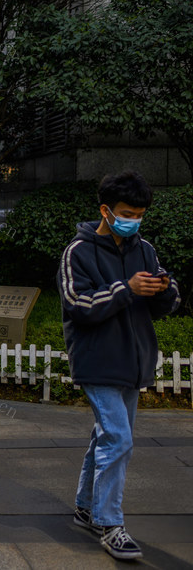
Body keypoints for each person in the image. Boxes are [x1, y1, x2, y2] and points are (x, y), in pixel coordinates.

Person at [56, 170, 180, 561]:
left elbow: (168, 301)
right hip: (97, 360)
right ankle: (111, 525)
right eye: (127, 212)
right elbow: (78, 305)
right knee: (119, 439)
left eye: (140, 213)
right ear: (105, 211)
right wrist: (127, 289)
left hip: (133, 359)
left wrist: (163, 289)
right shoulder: (78, 251)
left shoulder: (143, 248)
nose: (134, 219)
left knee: (107, 436)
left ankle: (86, 507)